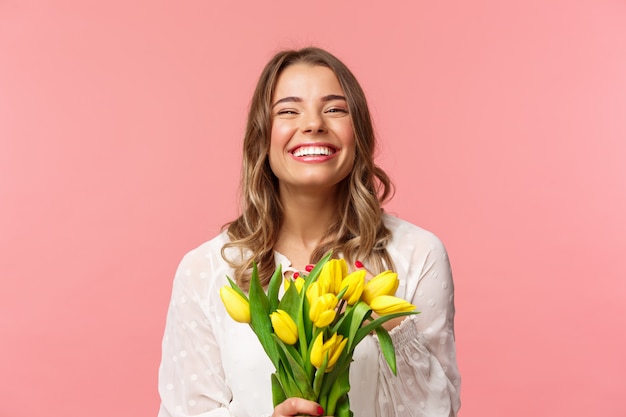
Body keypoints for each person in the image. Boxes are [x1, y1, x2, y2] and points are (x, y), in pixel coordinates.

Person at [157, 47, 461, 417]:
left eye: (334, 109)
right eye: (288, 110)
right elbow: (185, 411)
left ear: (358, 133)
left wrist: (386, 317)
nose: (314, 123)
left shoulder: (416, 254)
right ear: (262, 135)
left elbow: (438, 411)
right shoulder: (206, 270)